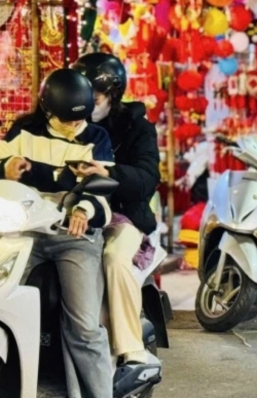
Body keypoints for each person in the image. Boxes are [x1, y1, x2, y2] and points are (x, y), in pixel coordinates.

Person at [0, 68, 114, 398]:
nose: (75, 126)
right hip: (24, 230)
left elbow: (101, 191)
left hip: (74, 238)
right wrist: (6, 169)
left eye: (80, 119)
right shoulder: (23, 131)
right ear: (48, 111)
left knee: (85, 327)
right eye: (66, 120)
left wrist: (83, 209)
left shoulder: (97, 139)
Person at [71, 52, 161, 385]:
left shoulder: (137, 127)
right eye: (80, 96)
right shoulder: (66, 122)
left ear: (112, 94)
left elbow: (146, 177)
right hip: (70, 213)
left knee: (113, 258)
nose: (86, 104)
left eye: (93, 98)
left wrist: (107, 171)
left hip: (122, 217)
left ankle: (132, 352)